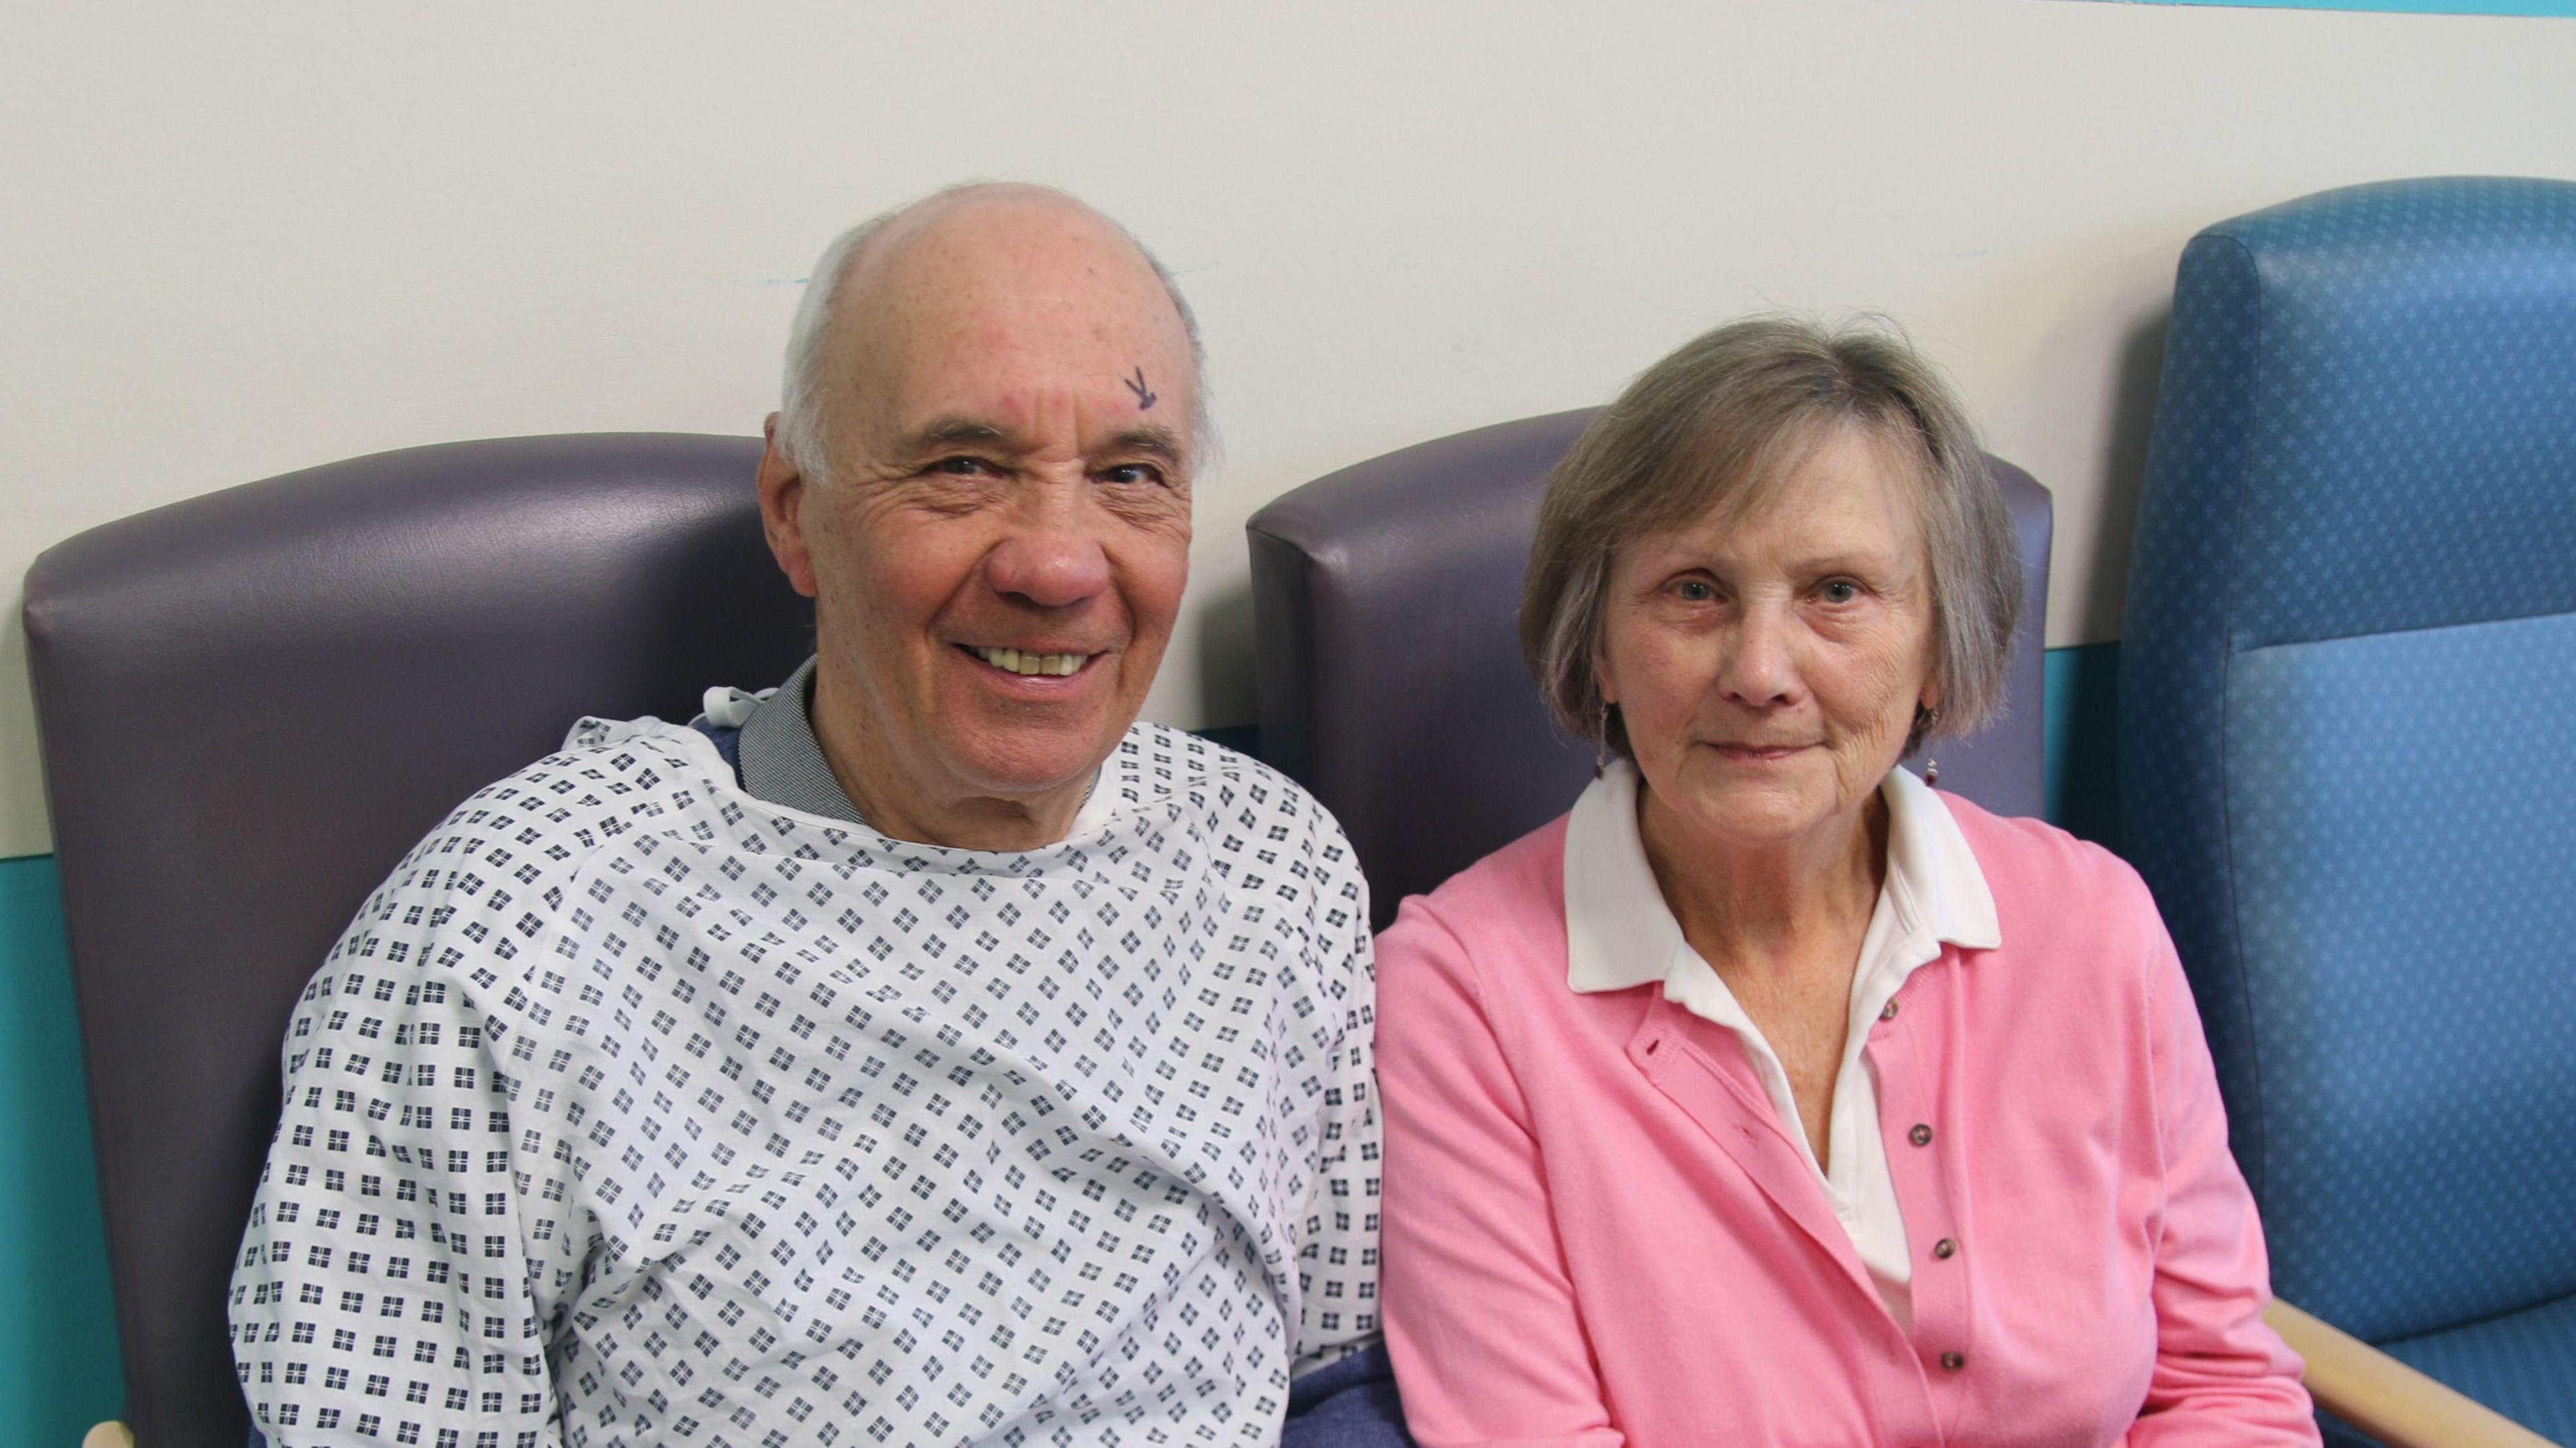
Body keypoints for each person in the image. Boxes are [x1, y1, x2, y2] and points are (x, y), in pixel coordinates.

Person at [228, 184, 1385, 1448]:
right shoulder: (522, 925)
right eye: (963, 467)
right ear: (796, 508)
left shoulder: (1268, 866)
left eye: (1129, 474)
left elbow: (1337, 1377)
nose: (1058, 566)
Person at [1373, 317, 2317, 1446]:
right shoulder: (1458, 997)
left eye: (1836, 591)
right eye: (1693, 591)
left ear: (1939, 649)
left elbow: (2224, 1390)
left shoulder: (2092, 921)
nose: (1761, 671)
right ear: (1601, 646)